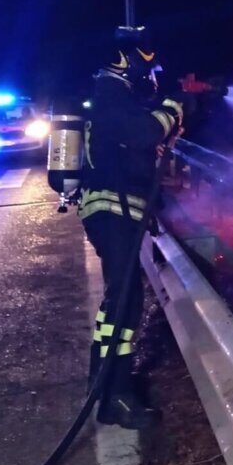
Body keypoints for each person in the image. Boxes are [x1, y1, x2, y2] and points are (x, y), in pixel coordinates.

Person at [79, 25, 183, 429]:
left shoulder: (115, 95)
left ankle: (105, 388)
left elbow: (140, 142)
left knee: (120, 303)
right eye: (147, 61)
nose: (151, 70)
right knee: (125, 303)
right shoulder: (110, 92)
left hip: (117, 209)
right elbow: (143, 132)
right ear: (127, 58)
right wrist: (174, 107)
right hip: (112, 209)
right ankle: (115, 396)